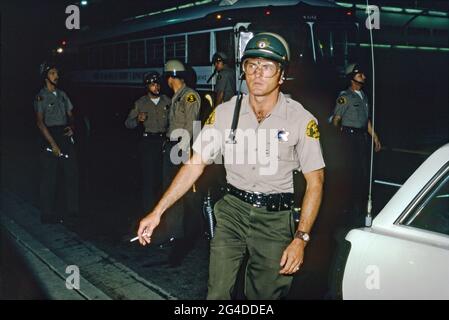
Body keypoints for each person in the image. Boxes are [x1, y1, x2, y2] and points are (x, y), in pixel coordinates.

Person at [137, 33, 325, 299]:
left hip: (275, 218)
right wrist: (158, 212)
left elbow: (315, 183)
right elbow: (194, 164)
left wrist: (301, 238)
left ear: (281, 75)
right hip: (232, 212)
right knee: (217, 293)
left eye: (267, 67)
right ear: (243, 71)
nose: (258, 73)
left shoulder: (300, 119)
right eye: (252, 65)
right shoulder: (225, 113)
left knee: (265, 295)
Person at [157, 59, 202, 266]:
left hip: (182, 147)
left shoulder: (189, 95)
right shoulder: (176, 97)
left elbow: (192, 125)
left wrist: (183, 150)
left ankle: (194, 233)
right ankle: (174, 232)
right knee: (171, 190)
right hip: (173, 145)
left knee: (187, 193)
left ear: (170, 77)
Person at [332, 63, 381, 225]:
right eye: (360, 75)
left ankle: (358, 206)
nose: (364, 77)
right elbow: (336, 119)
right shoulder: (345, 96)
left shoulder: (364, 96)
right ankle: (346, 208)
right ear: (352, 77)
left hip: (361, 138)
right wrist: (337, 141)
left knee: (362, 172)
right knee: (350, 173)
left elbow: (366, 121)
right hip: (349, 137)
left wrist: (375, 137)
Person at [34, 62, 79, 226]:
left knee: (72, 173)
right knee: (49, 177)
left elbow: (71, 115)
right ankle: (47, 213)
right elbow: (40, 122)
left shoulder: (62, 94)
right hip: (49, 135)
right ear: (46, 76)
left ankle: (73, 210)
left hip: (64, 134)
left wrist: (72, 127)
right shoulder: (41, 96)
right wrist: (52, 144)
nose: (56, 76)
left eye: (57, 73)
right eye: (53, 73)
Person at [125, 71, 171, 212]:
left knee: (165, 176)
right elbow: (128, 123)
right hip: (148, 142)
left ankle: (164, 209)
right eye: (152, 84)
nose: (156, 87)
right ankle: (148, 210)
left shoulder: (167, 101)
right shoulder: (140, 103)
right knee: (149, 178)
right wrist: (137, 119)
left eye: (157, 84)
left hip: (165, 141)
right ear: (147, 87)